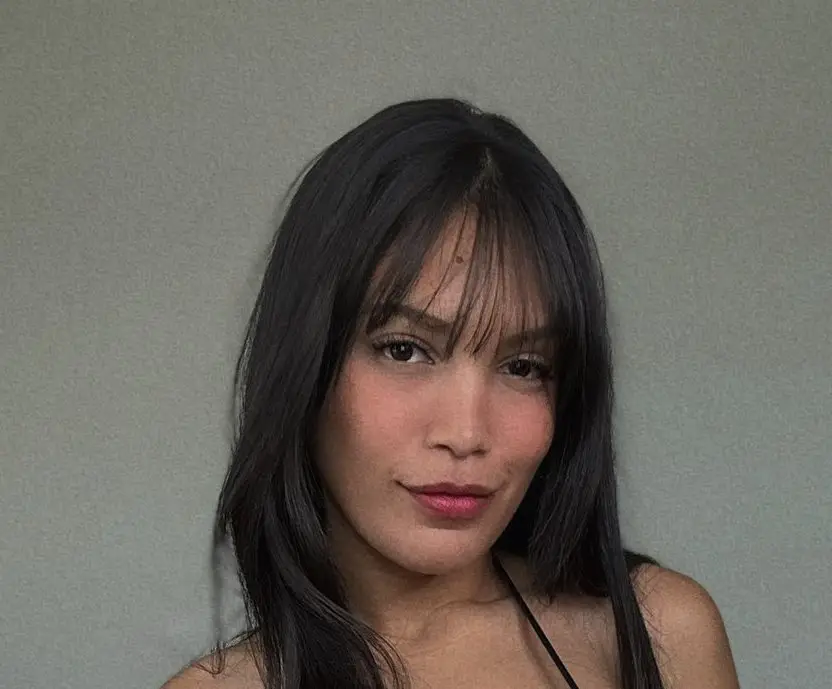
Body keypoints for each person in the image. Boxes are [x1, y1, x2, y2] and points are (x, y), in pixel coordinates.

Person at [163, 98, 739, 689]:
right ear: (305, 363)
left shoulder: (658, 634)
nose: (466, 434)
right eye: (404, 350)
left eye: (523, 366)